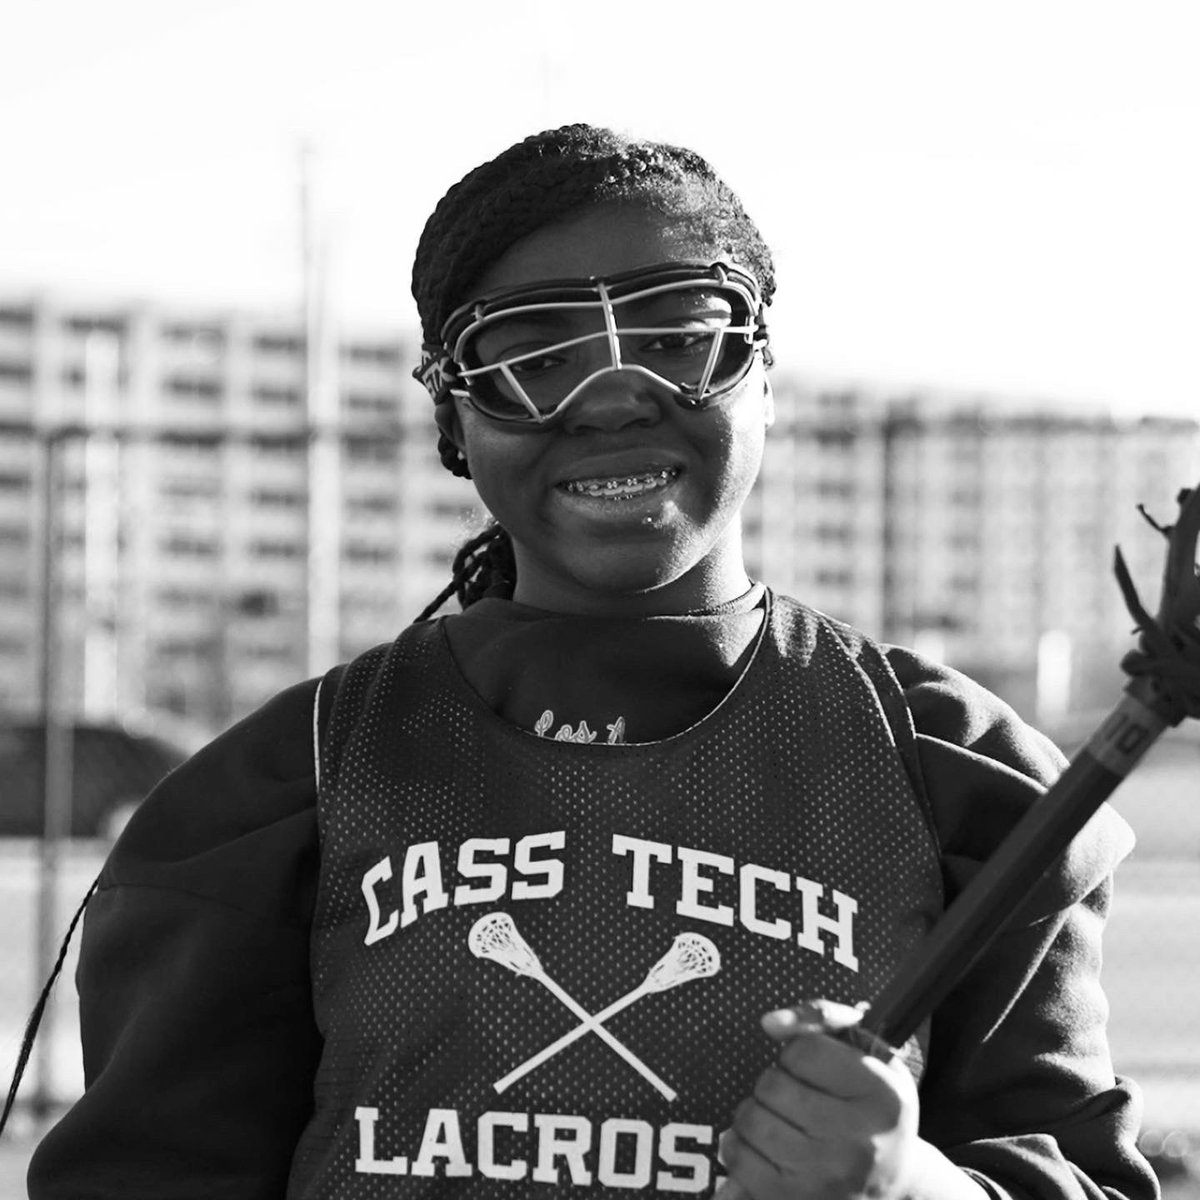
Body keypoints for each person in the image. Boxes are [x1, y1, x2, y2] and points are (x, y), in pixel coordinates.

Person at [24, 124, 1156, 1200]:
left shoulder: (952, 773)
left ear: (767, 373)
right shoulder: (290, 784)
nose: (615, 396)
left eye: (677, 333)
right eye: (535, 354)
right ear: (454, 422)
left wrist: (906, 1184)